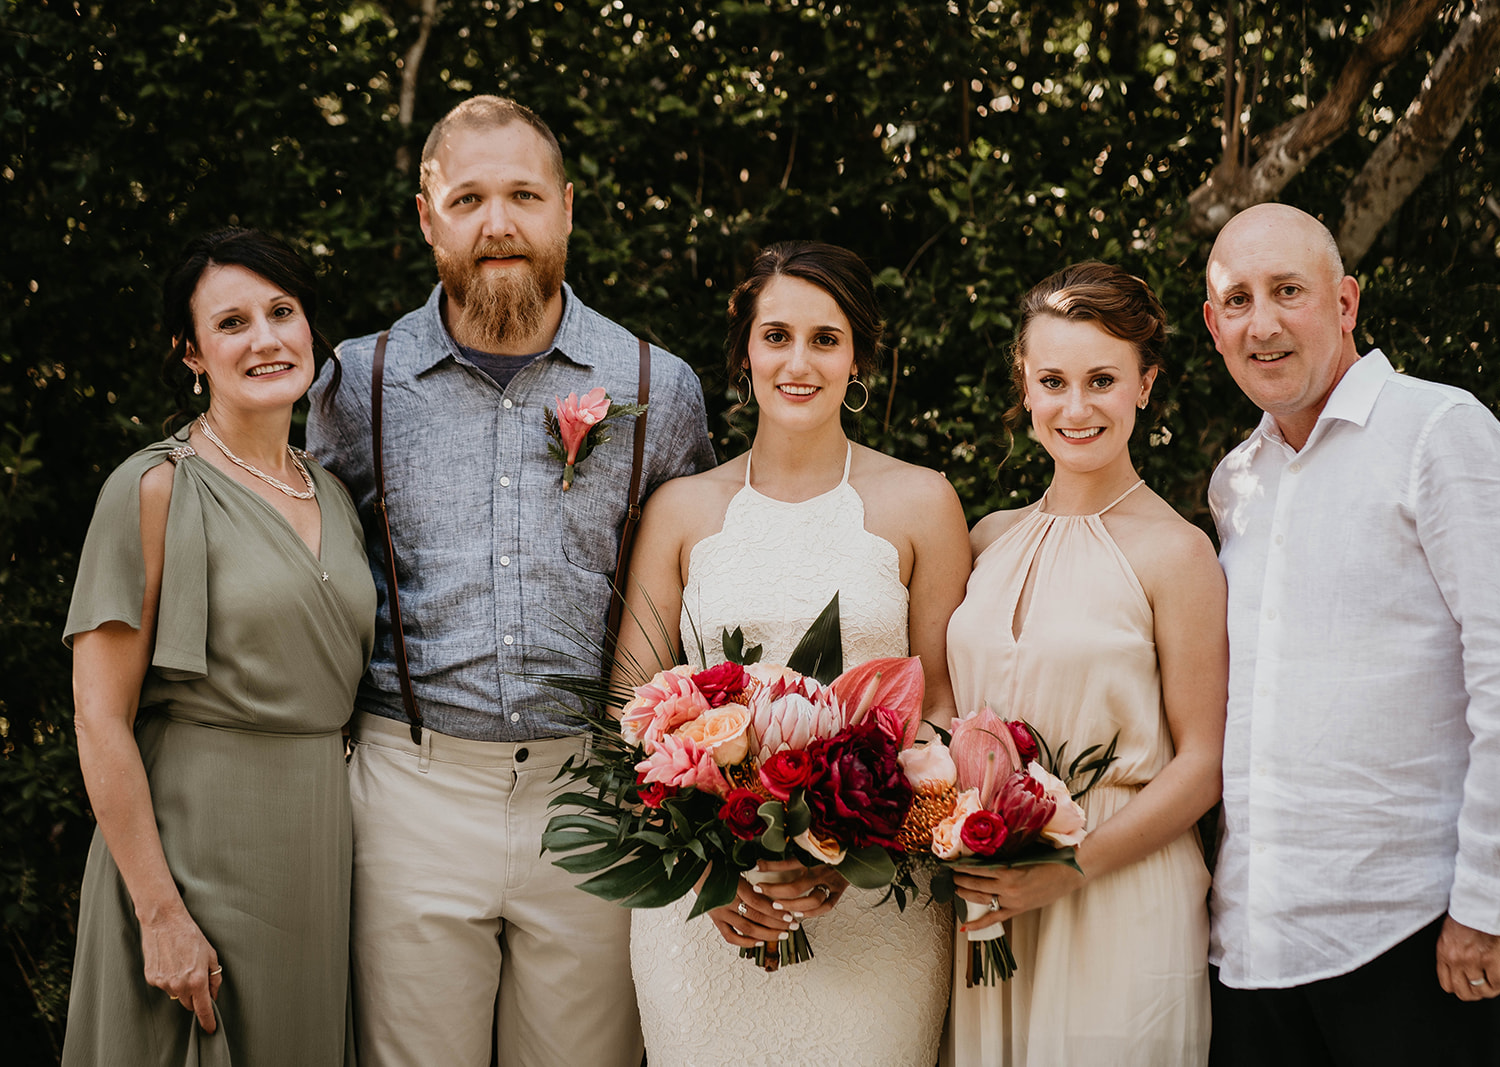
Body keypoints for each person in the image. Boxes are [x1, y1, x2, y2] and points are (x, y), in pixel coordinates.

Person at [305, 95, 714, 1067]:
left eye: (524, 195)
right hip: (410, 790)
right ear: (425, 216)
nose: (499, 224)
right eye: (470, 198)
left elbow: (698, 599)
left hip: (594, 791)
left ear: (566, 209)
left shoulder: (655, 383)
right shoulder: (355, 383)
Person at [1204, 203, 1500, 1066]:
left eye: (1288, 291)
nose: (1263, 323)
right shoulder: (1236, 484)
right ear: (1213, 323)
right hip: (1253, 950)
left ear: (1345, 303)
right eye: (1239, 299)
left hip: (1411, 937)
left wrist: (1486, 899)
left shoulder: (1440, 433)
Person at [617, 241, 971, 1066]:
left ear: (860, 358)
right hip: (705, 911)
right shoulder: (683, 510)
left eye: (826, 337)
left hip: (874, 905)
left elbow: (945, 712)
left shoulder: (923, 502)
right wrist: (710, 876)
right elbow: (627, 707)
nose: (799, 361)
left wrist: (858, 850)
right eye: (776, 335)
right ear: (745, 352)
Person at [60, 227, 375, 1065]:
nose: (266, 338)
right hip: (191, 855)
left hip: (315, 851)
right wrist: (158, 912)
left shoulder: (335, 492)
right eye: (232, 323)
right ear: (191, 353)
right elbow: (99, 717)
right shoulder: (152, 488)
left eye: (282, 311)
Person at [943, 261, 1226, 1065]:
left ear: (1145, 384)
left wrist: (1070, 866)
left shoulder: (1178, 552)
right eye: (1053, 381)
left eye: (1102, 379)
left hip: (1119, 881)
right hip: (992, 884)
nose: (1076, 407)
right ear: (1025, 388)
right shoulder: (988, 538)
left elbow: (1203, 761)